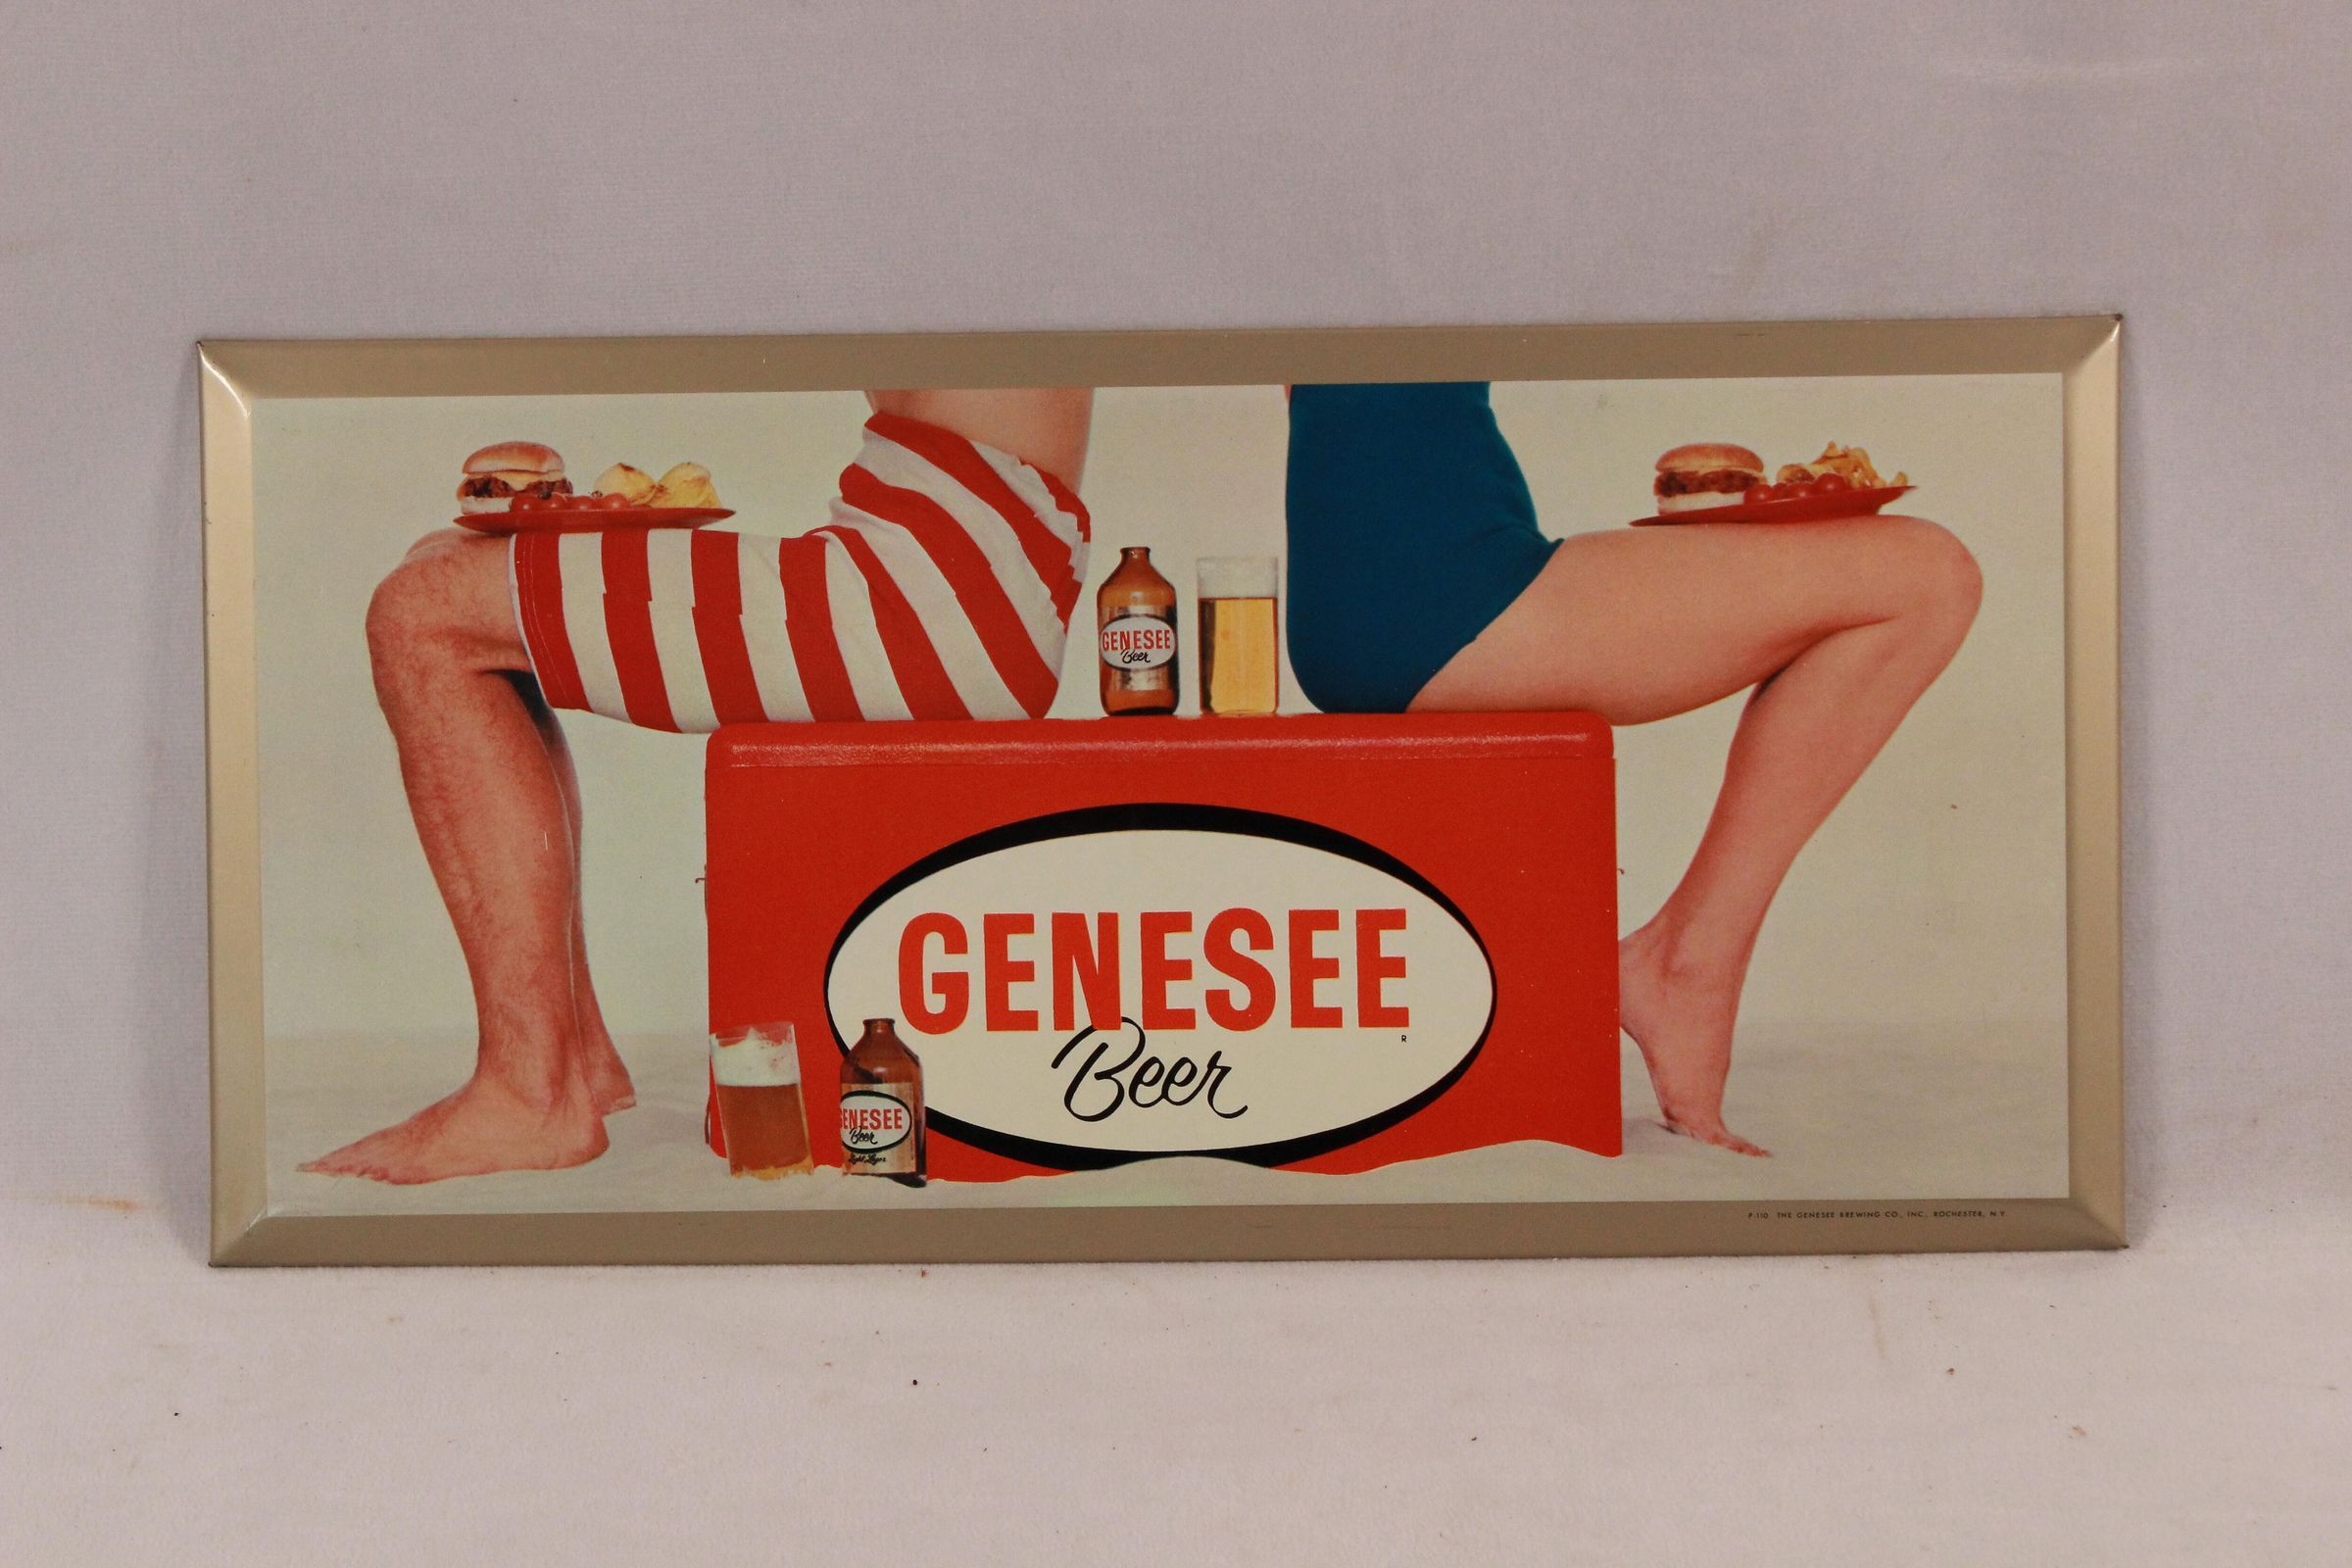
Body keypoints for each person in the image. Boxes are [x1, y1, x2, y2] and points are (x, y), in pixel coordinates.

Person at [304, 389, 1094, 1183]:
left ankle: (530, 1092)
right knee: (443, 563)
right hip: (955, 578)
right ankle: (575, 1063)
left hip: (932, 598)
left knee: (423, 611)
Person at [1285, 382, 1982, 1156]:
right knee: (1925, 571)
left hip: (1407, 582)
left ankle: (1686, 962)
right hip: (1438, 598)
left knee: (1915, 572)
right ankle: (1687, 963)